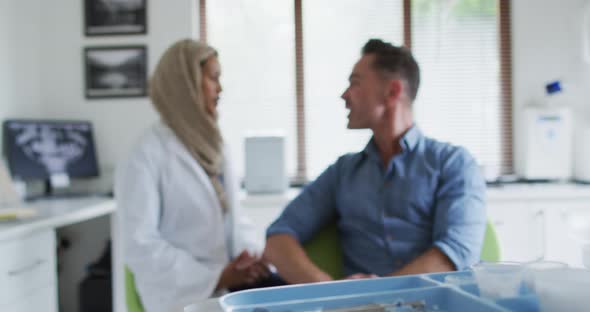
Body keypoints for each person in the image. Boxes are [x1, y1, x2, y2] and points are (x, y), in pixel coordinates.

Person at [264, 39, 486, 284]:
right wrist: (332, 292)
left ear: (393, 91)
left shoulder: (453, 164)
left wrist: (378, 294)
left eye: (355, 83)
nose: (344, 95)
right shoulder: (343, 172)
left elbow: (455, 254)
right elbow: (277, 239)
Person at [116, 39, 269, 311]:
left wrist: (249, 254)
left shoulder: (213, 144)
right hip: (181, 296)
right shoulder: (146, 154)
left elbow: (234, 216)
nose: (220, 88)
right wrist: (217, 276)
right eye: (213, 78)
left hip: (226, 287)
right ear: (184, 85)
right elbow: (141, 245)